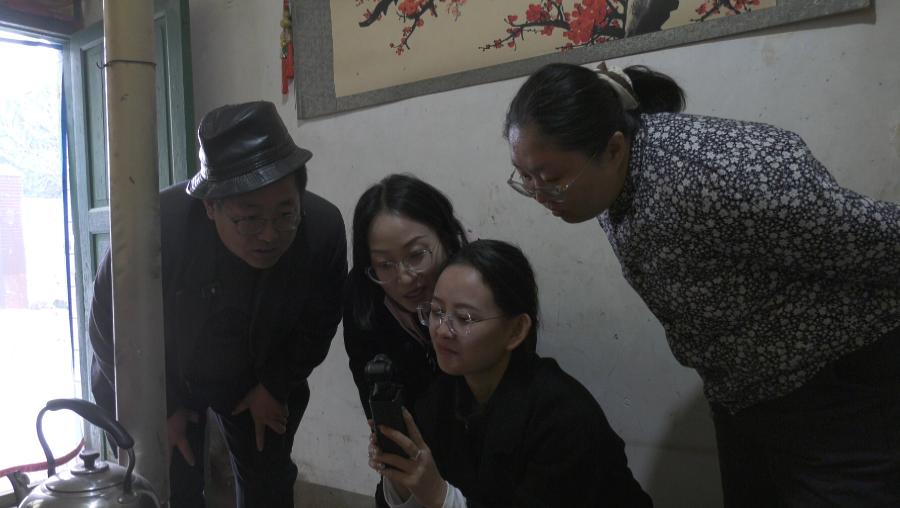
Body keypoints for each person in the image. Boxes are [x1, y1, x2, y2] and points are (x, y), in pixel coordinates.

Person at [503, 62, 900, 506]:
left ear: (612, 149)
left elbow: (880, 241)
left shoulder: (717, 175)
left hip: (838, 392)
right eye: (526, 177)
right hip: (745, 396)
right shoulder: (607, 182)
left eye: (551, 179)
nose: (540, 196)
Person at [89, 101, 347, 508]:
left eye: (285, 214)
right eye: (249, 219)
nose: (270, 235)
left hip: (255, 371)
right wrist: (160, 411)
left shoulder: (321, 231)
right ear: (211, 206)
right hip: (155, 374)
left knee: (268, 480)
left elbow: (320, 320)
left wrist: (275, 385)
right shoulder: (154, 231)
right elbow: (108, 327)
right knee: (168, 482)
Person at [368, 239, 653, 508]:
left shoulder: (563, 417)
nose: (442, 330)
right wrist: (402, 477)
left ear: (516, 330)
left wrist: (438, 495)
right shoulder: (441, 396)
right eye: (436, 311)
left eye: (464, 318)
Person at [343, 173, 468, 506]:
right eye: (384, 264)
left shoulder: (479, 286)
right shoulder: (364, 300)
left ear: (446, 237)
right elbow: (377, 402)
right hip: (410, 464)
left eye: (416, 255)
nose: (405, 278)